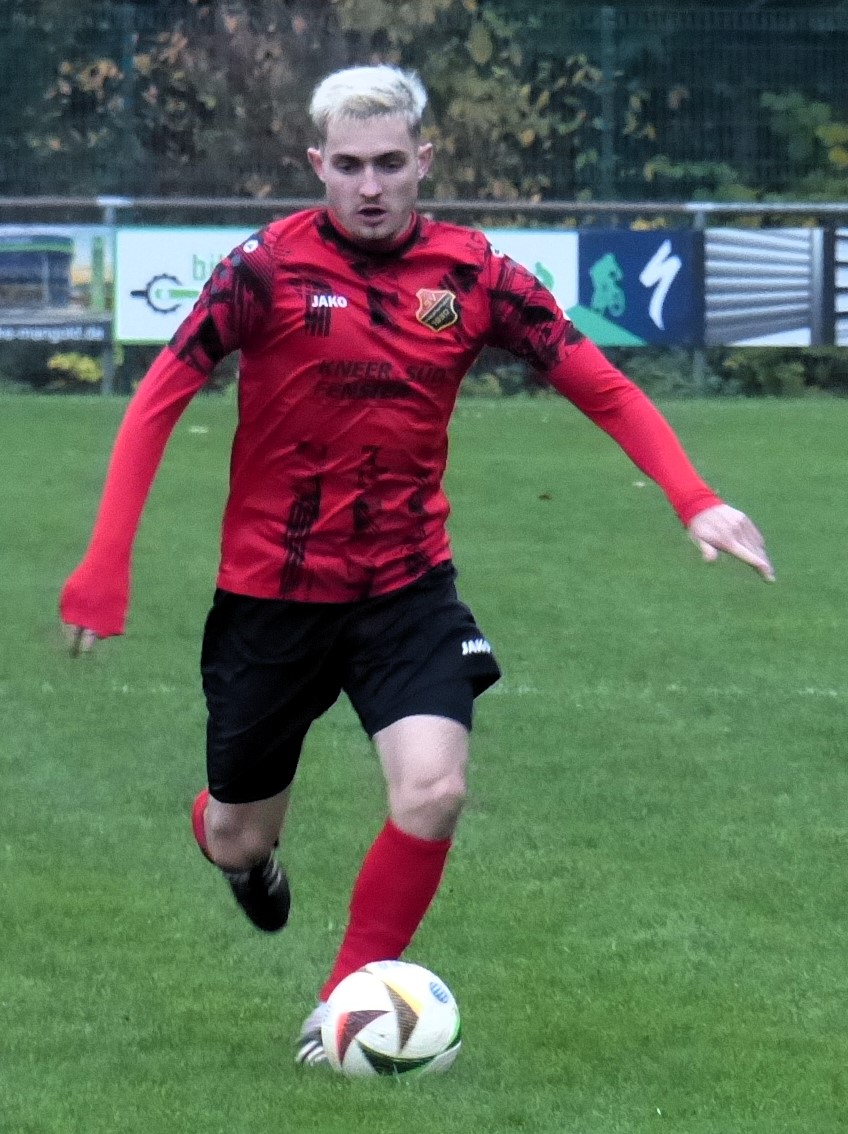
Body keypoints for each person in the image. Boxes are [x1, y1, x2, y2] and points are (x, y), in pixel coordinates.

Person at [60, 64, 774, 1067]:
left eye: (389, 163)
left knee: (434, 790)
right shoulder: (262, 270)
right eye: (348, 165)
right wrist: (105, 566)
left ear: (423, 160)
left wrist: (693, 497)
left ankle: (341, 1009)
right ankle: (231, 843)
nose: (369, 185)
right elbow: (156, 402)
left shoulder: (474, 275)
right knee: (238, 835)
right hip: (273, 594)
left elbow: (601, 384)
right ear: (316, 163)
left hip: (406, 587)